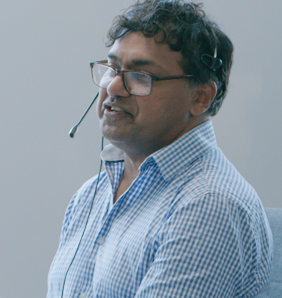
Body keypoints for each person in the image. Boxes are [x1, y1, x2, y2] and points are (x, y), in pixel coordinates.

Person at [47, 1, 273, 297]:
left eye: (141, 76)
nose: (114, 87)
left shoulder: (208, 205)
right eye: (112, 68)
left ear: (201, 98)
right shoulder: (91, 195)